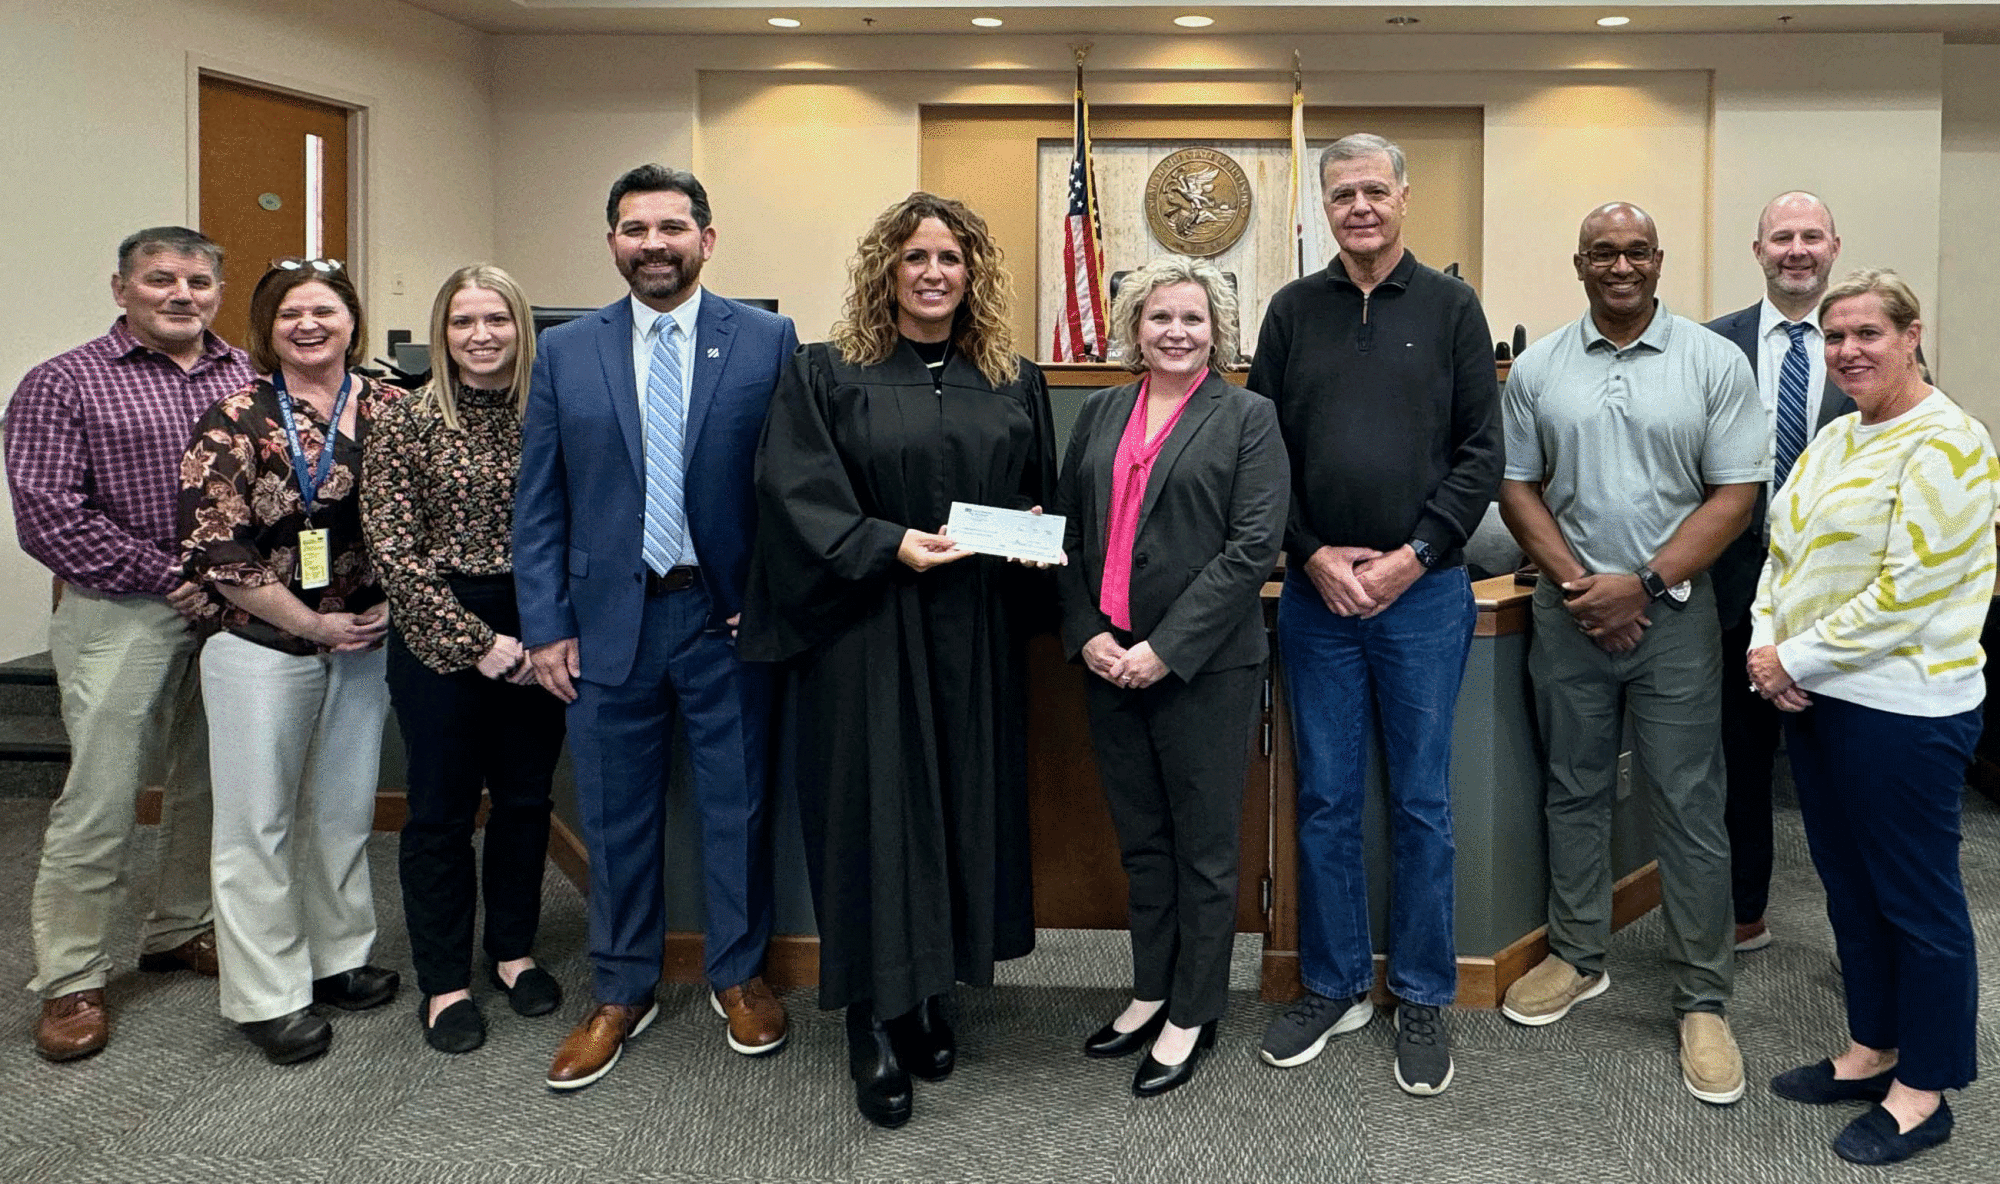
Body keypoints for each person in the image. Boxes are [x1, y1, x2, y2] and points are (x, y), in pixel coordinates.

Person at [740, 191, 1057, 1129]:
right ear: (887, 268)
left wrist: (1031, 529)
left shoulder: (1010, 377)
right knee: (876, 817)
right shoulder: (827, 373)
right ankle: (874, 1018)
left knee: (958, 807)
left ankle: (931, 996)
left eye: (950, 258)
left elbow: (1034, 489)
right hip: (867, 627)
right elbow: (793, 493)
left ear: (974, 274)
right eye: (914, 256)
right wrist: (887, 545)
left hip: (973, 630)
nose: (932, 272)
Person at [513, 165, 796, 1091]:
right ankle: (621, 990)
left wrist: (774, 587)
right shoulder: (565, 351)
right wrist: (547, 625)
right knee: (615, 813)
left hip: (725, 619)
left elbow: (791, 485)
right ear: (612, 245)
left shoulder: (765, 340)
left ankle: (737, 975)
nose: (654, 244)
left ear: (707, 240)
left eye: (672, 227)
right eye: (635, 229)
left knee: (737, 806)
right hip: (605, 628)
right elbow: (541, 502)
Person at [1249, 133, 1502, 1097]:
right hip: (1315, 597)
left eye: (1374, 190)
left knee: (1421, 802)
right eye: (1342, 192)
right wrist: (1310, 553)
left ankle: (1425, 994)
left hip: (1423, 596)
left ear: (1404, 194)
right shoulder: (1291, 311)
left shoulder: (1450, 308)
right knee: (1323, 795)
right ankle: (1335, 982)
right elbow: (1260, 452)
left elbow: (1481, 451)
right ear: (1323, 206)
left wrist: (1413, 556)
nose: (1360, 205)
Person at [1497, 203, 1765, 1105]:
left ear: (1659, 260)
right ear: (1580, 264)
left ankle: (1702, 996)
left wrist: (1641, 587)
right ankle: (1577, 954)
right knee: (1572, 787)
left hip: (1678, 617)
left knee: (1688, 802)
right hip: (1568, 611)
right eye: (1603, 253)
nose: (1621, 265)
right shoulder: (1538, 369)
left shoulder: (1712, 362)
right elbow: (1514, 485)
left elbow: (1735, 494)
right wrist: (1583, 587)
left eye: (1636, 251)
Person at [1751, 269, 1993, 1165]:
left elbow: (1909, 592)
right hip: (1818, 701)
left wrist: (1790, 658)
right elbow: (1783, 555)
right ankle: (1871, 1048)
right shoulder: (1835, 441)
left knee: (1917, 900)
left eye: (1868, 334)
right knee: (1850, 887)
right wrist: (1763, 646)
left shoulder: (1951, 443)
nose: (1850, 350)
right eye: (1836, 337)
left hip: (1904, 711)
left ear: (1911, 335)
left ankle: (1925, 1089)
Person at [4, 227, 253, 1061]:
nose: (182, 294)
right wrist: (167, 576)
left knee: (210, 783)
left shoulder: (248, 375)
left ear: (218, 290)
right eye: (160, 279)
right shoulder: (63, 382)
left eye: (197, 280)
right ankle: (70, 977)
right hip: (119, 610)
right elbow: (48, 515)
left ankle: (180, 926)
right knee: (102, 796)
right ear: (121, 289)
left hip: (233, 610)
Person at [1055, 255, 1287, 1098]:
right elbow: (1070, 536)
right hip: (1107, 661)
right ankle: (1149, 987)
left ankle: (1194, 1009)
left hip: (1203, 670)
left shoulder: (1248, 417)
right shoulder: (1101, 411)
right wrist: (1086, 635)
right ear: (1135, 330)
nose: (1176, 332)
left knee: (1204, 850)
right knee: (1143, 844)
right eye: (1160, 318)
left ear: (1217, 331)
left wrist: (1166, 648)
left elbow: (1251, 549)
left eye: (1193, 319)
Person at [178, 258, 400, 1065]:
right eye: (289, 315)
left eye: (325, 311)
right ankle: (268, 996)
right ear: (266, 331)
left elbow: (432, 517)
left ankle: (338, 956)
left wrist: (392, 603)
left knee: (341, 809)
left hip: (366, 640)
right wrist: (307, 618)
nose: (309, 325)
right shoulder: (234, 416)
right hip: (262, 643)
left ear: (352, 321)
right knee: (257, 822)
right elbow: (212, 541)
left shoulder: (393, 408)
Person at [362, 264, 567, 1054]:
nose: (481, 336)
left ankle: (512, 953)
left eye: (497, 320)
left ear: (523, 327)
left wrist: (543, 635)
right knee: (441, 811)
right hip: (439, 626)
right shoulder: (404, 420)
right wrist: (479, 647)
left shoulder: (550, 415)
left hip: (541, 615)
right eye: (462, 321)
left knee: (524, 801)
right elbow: (395, 553)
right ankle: (444, 982)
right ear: (441, 333)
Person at [1704, 191, 1854, 954]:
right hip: (1732, 591)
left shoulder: (1863, 343)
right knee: (1740, 761)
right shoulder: (1709, 344)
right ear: (1758, 250)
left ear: (1832, 248)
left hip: (1838, 599)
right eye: (1781, 237)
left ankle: (1864, 934)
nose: (1796, 249)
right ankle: (1744, 911)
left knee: (1848, 772)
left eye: (1811, 237)